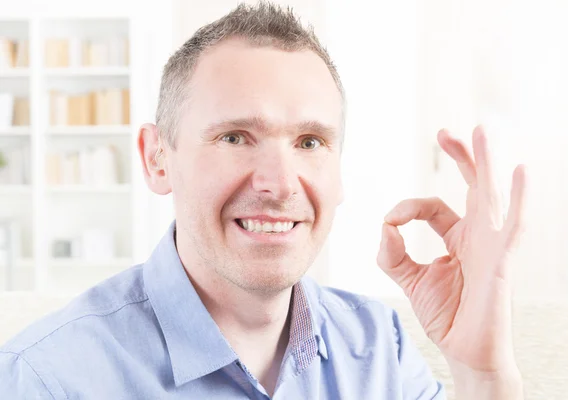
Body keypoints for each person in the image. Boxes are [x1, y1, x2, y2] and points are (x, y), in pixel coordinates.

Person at [0, 2, 527, 399]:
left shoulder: (377, 350)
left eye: (310, 142)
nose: (280, 183)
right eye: (235, 137)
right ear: (158, 159)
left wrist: (484, 374)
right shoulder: (48, 377)